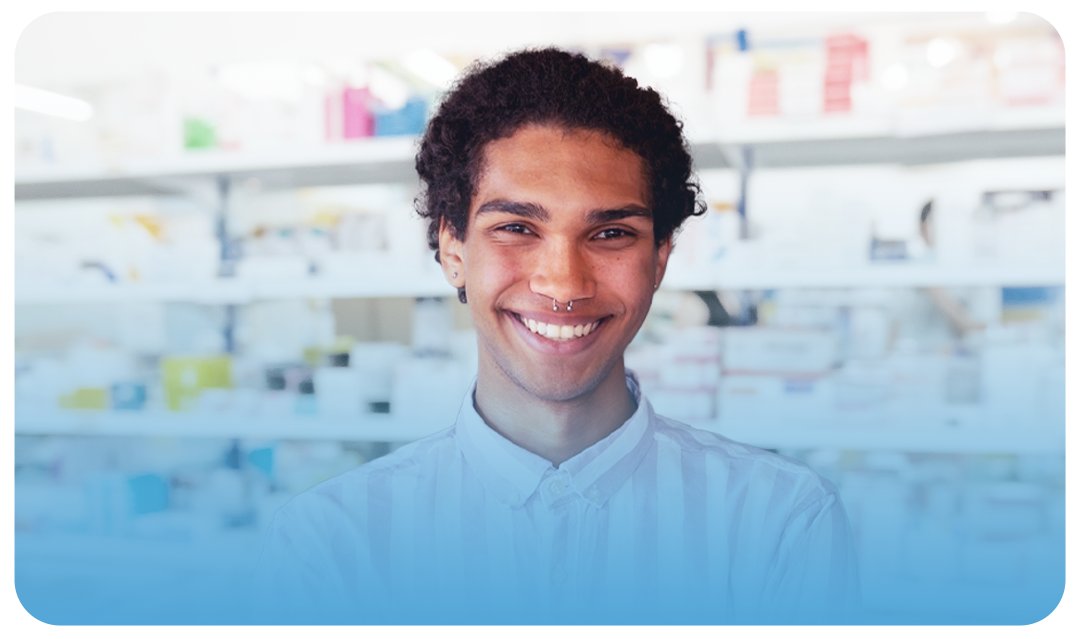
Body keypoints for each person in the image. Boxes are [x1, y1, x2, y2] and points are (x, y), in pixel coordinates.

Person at [251, 48, 858, 626]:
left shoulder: (780, 524)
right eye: (516, 227)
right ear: (452, 248)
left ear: (661, 257)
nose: (563, 282)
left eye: (612, 233)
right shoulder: (330, 543)